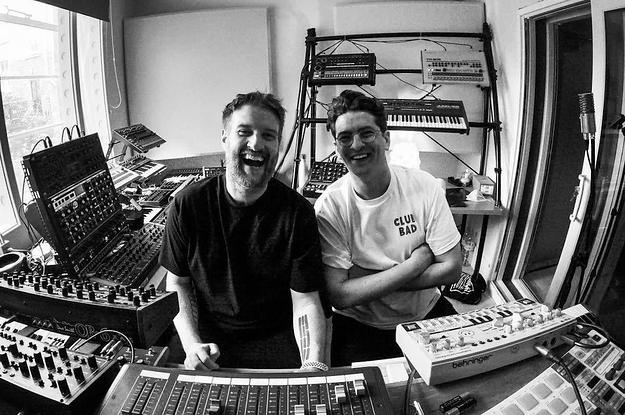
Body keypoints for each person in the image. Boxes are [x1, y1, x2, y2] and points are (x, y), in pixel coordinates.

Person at [160, 91, 328, 371]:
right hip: (206, 338)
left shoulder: (298, 212)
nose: (256, 143)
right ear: (224, 138)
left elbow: (306, 299)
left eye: (268, 135)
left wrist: (313, 363)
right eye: (244, 132)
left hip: (274, 339)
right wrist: (192, 345)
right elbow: (178, 283)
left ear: (278, 145)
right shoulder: (187, 205)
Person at [315, 90, 462, 366]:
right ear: (336, 147)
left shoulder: (425, 186)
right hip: (360, 324)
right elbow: (340, 295)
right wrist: (417, 263)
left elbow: (452, 269)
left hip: (426, 313)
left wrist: (365, 279)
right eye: (345, 137)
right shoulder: (329, 206)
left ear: (386, 138)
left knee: (463, 372)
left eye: (366, 133)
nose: (356, 144)